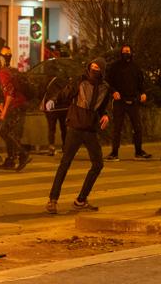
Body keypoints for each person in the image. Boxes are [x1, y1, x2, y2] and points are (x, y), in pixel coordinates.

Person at [45, 58, 110, 214]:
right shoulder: (79, 82)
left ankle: (81, 199)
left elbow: (103, 107)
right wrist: (53, 100)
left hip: (90, 130)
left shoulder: (105, 87)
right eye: (92, 67)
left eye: (97, 68)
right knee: (65, 163)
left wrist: (105, 115)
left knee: (98, 164)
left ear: (102, 71)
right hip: (75, 127)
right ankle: (53, 200)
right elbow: (64, 93)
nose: (94, 70)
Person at [105, 45, 152, 161]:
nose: (126, 53)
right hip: (119, 101)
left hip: (133, 100)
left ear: (131, 53)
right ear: (121, 53)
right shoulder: (115, 67)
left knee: (137, 127)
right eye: (124, 51)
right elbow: (108, 82)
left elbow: (140, 82)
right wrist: (113, 92)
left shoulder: (135, 67)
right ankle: (114, 153)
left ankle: (139, 151)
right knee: (117, 128)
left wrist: (143, 93)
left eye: (128, 51)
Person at [0, 55, 32, 171]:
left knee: (4, 131)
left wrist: (4, 112)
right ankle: (11, 159)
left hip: (16, 105)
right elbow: (1, 93)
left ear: (1, 64)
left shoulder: (3, 73)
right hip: (18, 104)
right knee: (7, 132)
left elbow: (10, 93)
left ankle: (22, 154)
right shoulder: (5, 72)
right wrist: (0, 105)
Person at [41, 75, 69, 156]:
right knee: (64, 128)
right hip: (63, 108)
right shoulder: (65, 80)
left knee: (51, 128)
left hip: (51, 108)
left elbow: (42, 92)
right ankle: (65, 147)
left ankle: (51, 147)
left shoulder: (47, 81)